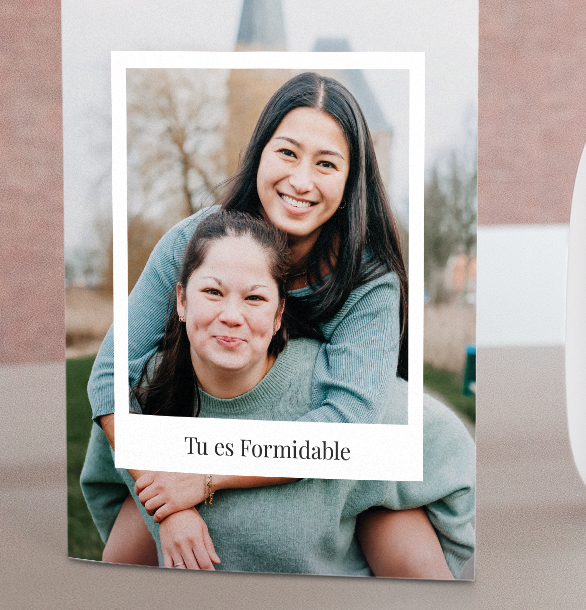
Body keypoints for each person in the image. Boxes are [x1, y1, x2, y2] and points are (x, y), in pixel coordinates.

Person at [89, 72, 407, 552]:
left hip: (326, 474)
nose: (300, 180)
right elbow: (110, 377)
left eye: (326, 163)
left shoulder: (368, 282)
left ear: (350, 181)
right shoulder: (192, 241)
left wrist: (207, 475)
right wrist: (171, 501)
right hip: (194, 430)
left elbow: (349, 422)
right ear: (259, 153)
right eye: (287, 153)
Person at [80, 208, 474, 578]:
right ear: (181, 300)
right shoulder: (145, 396)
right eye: (213, 292)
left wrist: (207, 475)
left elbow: (442, 446)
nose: (231, 316)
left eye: (254, 298)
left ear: (279, 314)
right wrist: (167, 512)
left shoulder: (338, 394)